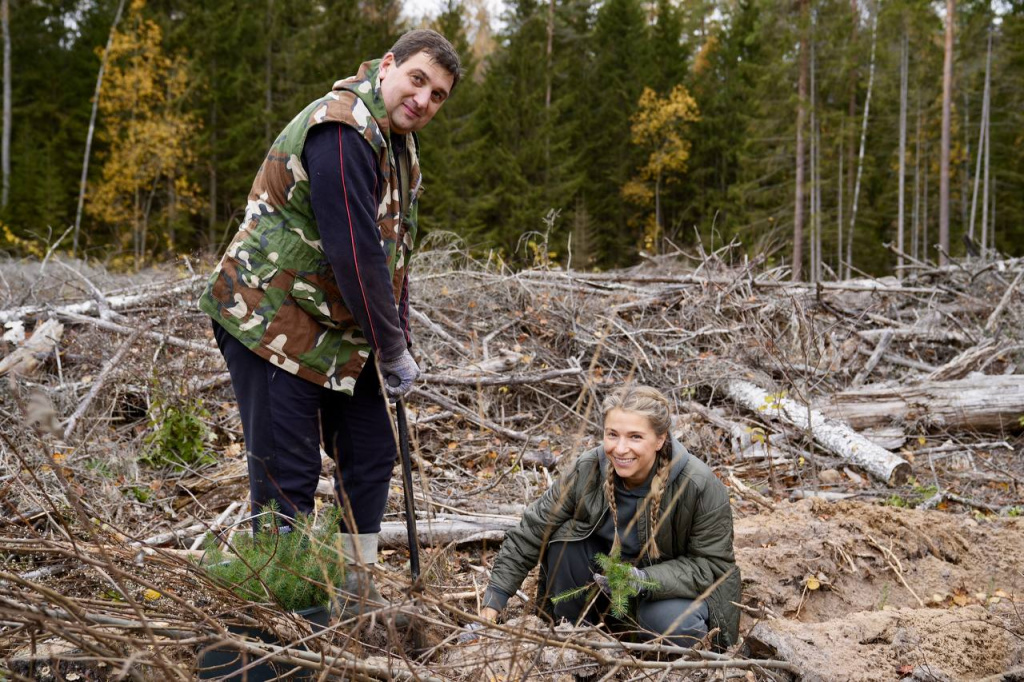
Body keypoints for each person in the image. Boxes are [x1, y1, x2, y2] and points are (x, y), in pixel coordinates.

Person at [198, 30, 461, 617]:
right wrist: (391, 348)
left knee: (368, 452)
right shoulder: (341, 129)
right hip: (269, 317)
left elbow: (392, 255)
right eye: (417, 80)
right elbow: (354, 251)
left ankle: (352, 594)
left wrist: (400, 341)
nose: (423, 100)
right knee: (286, 473)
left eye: (438, 96)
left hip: (336, 327)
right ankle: (279, 613)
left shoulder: (397, 143)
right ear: (388, 65)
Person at [478, 385, 741, 650]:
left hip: (664, 598)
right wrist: (493, 604)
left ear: (660, 439)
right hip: (603, 594)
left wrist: (642, 579)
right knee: (565, 542)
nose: (620, 448)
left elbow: (713, 566)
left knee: (667, 623)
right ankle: (577, 643)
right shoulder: (589, 468)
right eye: (612, 435)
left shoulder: (698, 485)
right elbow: (532, 530)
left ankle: (653, 662)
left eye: (635, 437)